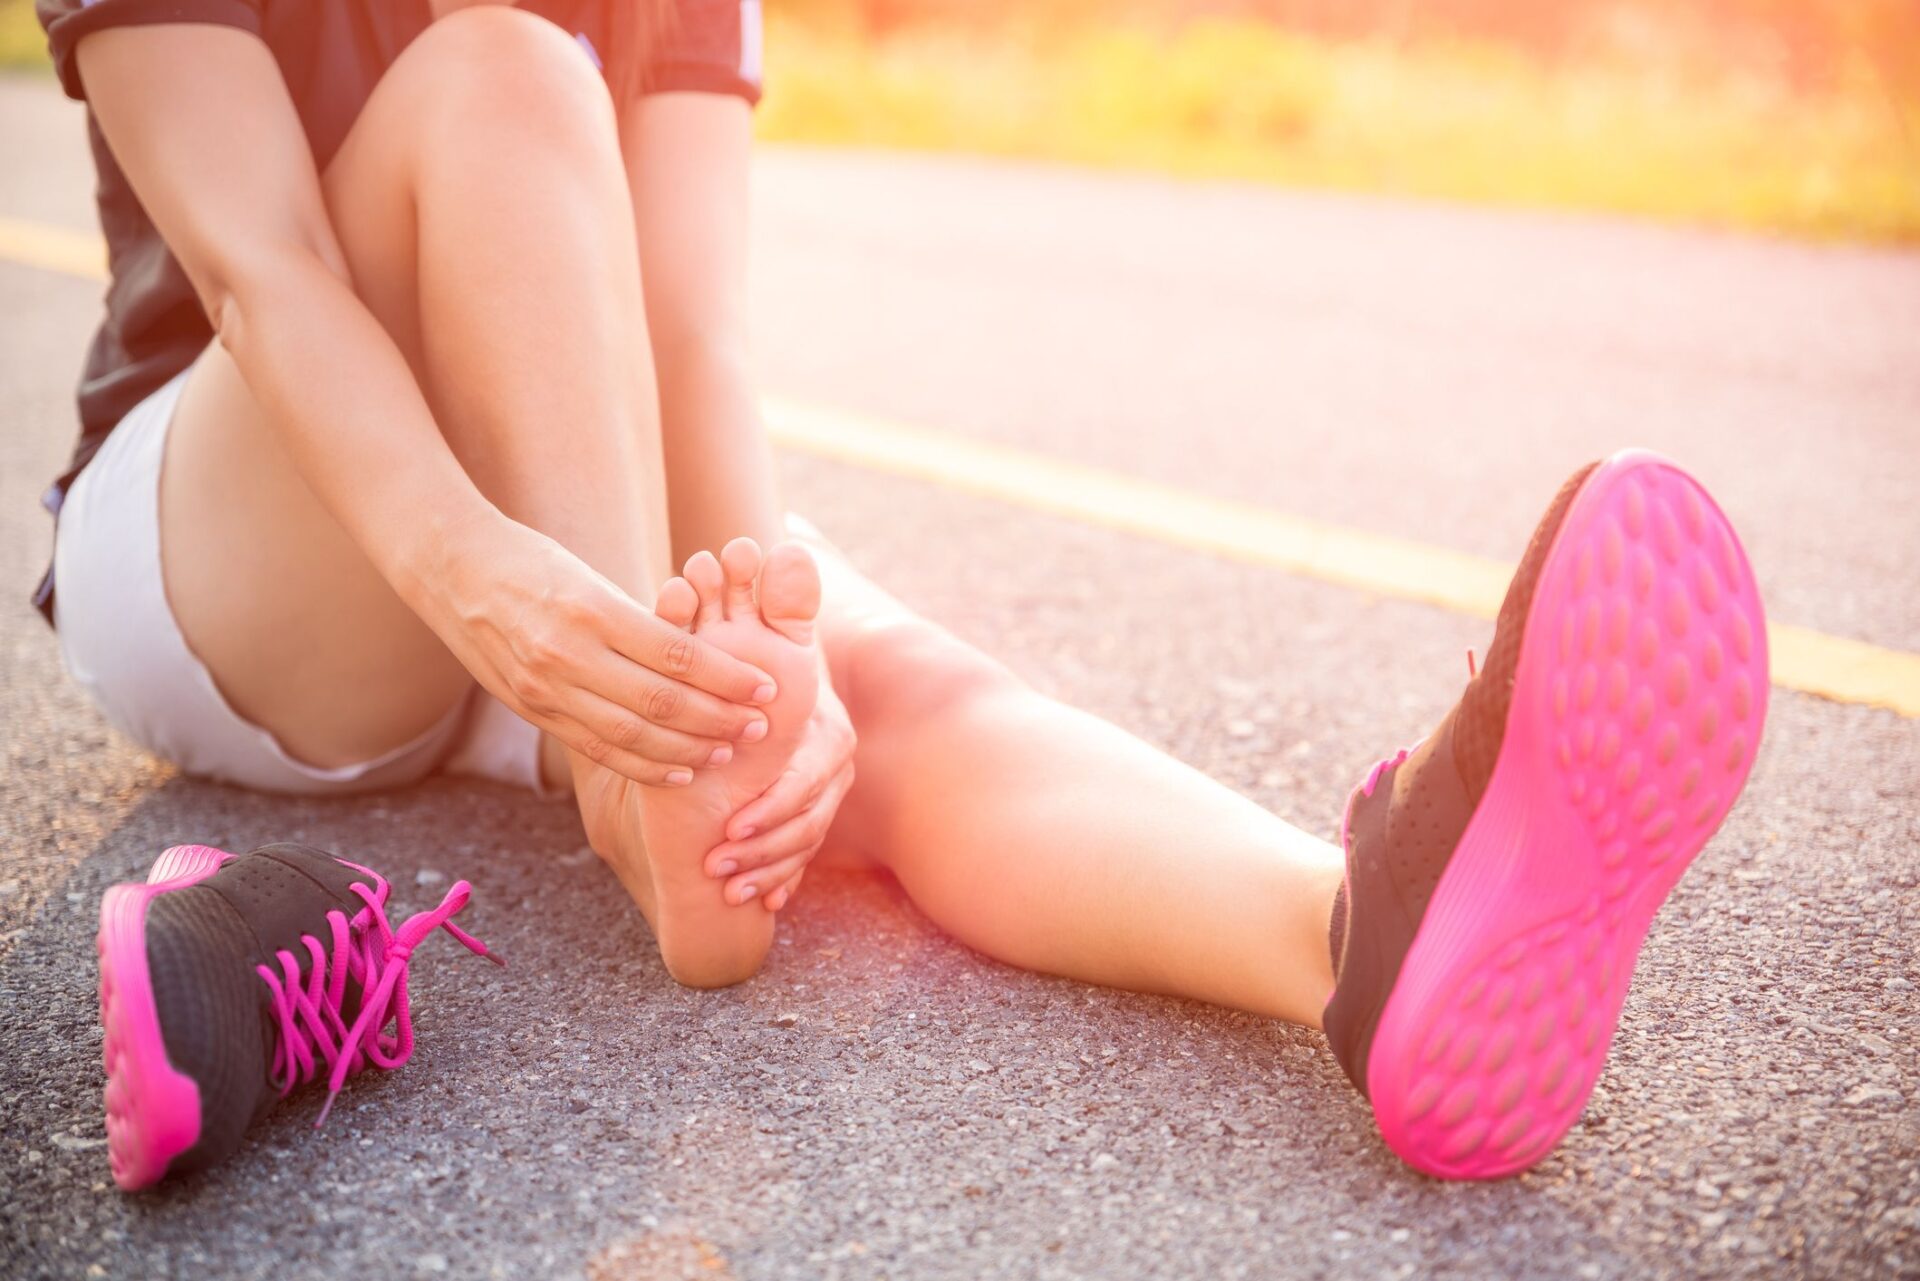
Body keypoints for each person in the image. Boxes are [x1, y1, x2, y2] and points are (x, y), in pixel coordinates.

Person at [37, 0, 1768, 1191]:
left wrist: (777, 655)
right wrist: (494, 583)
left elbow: (694, 330)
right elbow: (258, 270)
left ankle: (1354, 937)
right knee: (507, 76)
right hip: (258, 541)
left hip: (562, 510)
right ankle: (656, 809)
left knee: (900, 692)